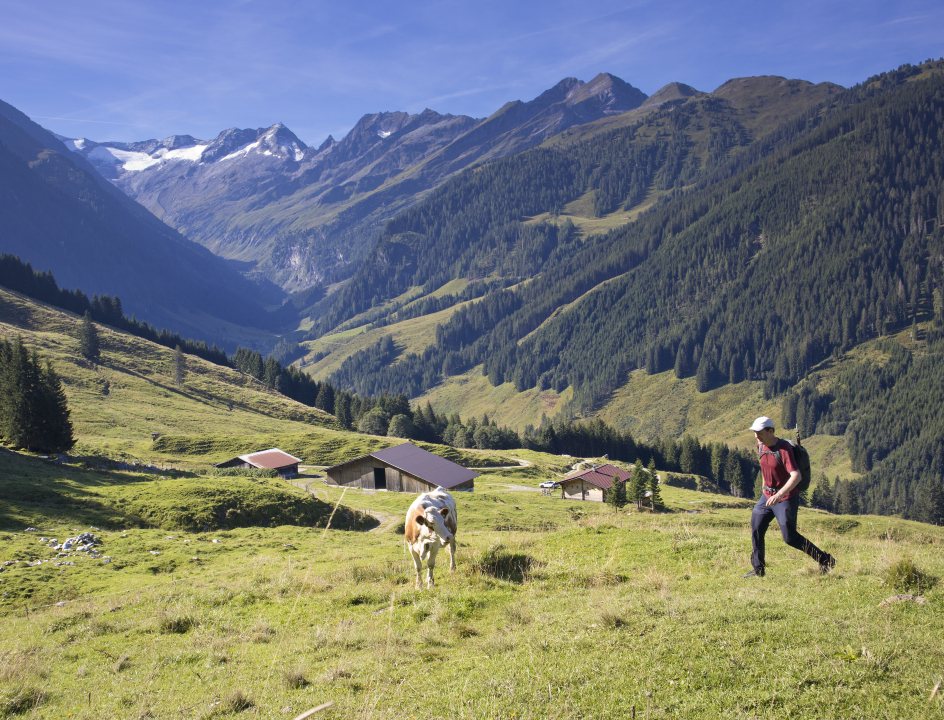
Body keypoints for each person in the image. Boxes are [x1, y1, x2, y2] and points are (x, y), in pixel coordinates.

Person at [744, 416, 835, 577]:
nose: (757, 436)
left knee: (790, 537)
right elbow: (765, 468)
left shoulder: (784, 449)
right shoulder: (761, 445)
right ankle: (758, 569)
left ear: (771, 431)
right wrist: (765, 490)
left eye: (759, 433)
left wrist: (779, 494)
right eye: (755, 433)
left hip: (785, 498)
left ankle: (825, 559)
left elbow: (796, 476)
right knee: (756, 529)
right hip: (767, 496)